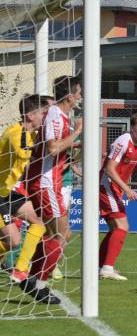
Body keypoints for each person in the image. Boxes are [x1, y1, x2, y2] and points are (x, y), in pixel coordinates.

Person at [22, 76, 83, 305]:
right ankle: (39, 284)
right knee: (60, 235)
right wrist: (76, 133)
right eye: (79, 93)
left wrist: (76, 147)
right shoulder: (56, 114)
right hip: (45, 182)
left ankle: (32, 278)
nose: (81, 97)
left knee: (56, 234)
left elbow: (58, 150)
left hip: (50, 181)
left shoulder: (60, 116)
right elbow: (52, 147)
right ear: (70, 96)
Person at [0, 95, 48, 284]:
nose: (45, 118)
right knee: (13, 241)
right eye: (43, 114)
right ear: (30, 115)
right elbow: (21, 151)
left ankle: (20, 270)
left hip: (7, 193)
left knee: (39, 222)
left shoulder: (30, 134)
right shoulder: (15, 133)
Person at [98, 112, 137, 280]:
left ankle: (100, 266)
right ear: (132, 127)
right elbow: (109, 169)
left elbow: (128, 168)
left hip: (115, 188)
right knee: (122, 226)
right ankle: (107, 268)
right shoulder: (123, 141)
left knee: (115, 228)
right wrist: (127, 189)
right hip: (106, 186)